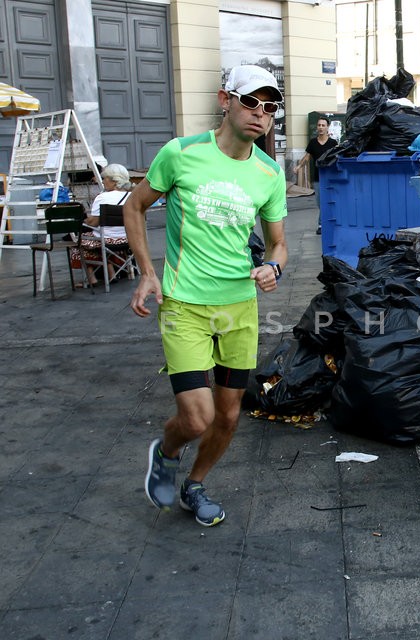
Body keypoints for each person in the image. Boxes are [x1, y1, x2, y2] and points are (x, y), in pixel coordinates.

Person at [125, 65, 288, 527]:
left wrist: (274, 267)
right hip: (184, 304)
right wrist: (147, 273)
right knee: (197, 418)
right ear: (225, 100)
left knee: (230, 415)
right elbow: (133, 207)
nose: (261, 113)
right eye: (251, 102)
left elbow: (278, 242)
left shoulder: (269, 173)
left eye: (270, 106)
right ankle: (169, 450)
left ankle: (194, 485)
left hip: (239, 306)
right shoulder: (181, 154)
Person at [70, 163, 134, 287]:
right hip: (128, 239)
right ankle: (111, 273)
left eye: (105, 178)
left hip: (107, 240)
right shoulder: (131, 197)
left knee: (78, 242)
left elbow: (94, 222)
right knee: (97, 242)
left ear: (114, 181)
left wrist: (85, 220)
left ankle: (91, 278)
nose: (103, 181)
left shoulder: (102, 197)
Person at [295, 116, 337, 235]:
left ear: (327, 127)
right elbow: (307, 157)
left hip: (330, 177)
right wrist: (299, 167)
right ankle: (324, 222)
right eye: (319, 125)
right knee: (320, 202)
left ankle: (322, 224)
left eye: (323, 125)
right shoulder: (313, 142)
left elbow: (337, 158)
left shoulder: (333, 143)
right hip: (318, 177)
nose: (320, 127)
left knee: (329, 201)